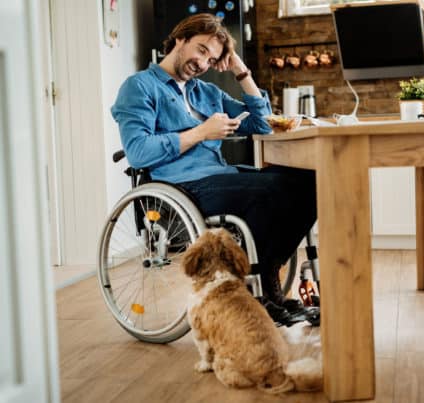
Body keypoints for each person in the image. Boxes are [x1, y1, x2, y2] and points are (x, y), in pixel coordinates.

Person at [111, 13, 317, 324]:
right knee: (271, 191)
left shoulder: (204, 92)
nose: (204, 63)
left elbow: (261, 123)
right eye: (201, 50)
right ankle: (260, 294)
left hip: (220, 177)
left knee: (310, 180)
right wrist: (200, 133)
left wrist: (240, 70)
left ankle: (269, 277)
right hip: (180, 186)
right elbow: (138, 152)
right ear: (180, 39)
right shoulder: (139, 87)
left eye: (212, 58)